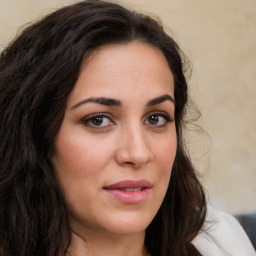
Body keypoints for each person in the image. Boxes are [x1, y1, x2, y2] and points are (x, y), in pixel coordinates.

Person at [0, 1, 255, 256]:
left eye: (155, 118)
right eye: (98, 120)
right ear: (34, 136)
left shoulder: (222, 244)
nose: (138, 153)